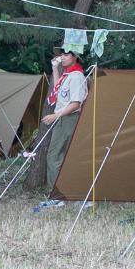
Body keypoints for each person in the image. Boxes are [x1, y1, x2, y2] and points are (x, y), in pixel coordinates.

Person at [42, 49, 88, 188]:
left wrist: (55, 116)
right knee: (61, 157)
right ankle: (66, 192)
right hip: (63, 118)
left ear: (75, 57)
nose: (62, 57)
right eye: (61, 54)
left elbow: (75, 104)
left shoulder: (76, 76)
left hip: (68, 118)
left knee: (54, 157)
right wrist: (55, 68)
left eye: (66, 55)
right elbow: (58, 89)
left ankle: (57, 194)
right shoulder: (68, 74)